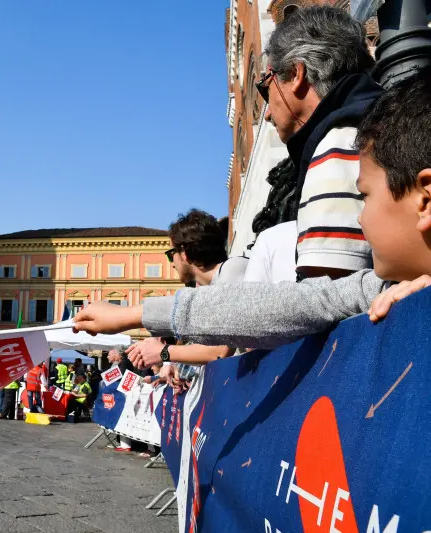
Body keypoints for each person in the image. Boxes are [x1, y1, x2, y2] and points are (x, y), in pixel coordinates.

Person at [72, 68, 431, 351]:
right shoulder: (378, 287)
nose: (358, 216)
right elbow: (298, 303)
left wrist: (134, 316)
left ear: (424, 200)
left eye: (365, 196)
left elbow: (292, 306)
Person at [259, 6, 382, 281]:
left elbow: (323, 295)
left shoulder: (339, 144)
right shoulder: (379, 117)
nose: (267, 113)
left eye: (265, 86)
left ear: (295, 74)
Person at [124, 209, 248, 378]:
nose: (172, 264)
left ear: (185, 254)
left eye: (170, 255)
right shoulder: (214, 286)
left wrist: (163, 352)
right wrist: (178, 368)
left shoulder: (233, 271)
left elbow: (219, 350)